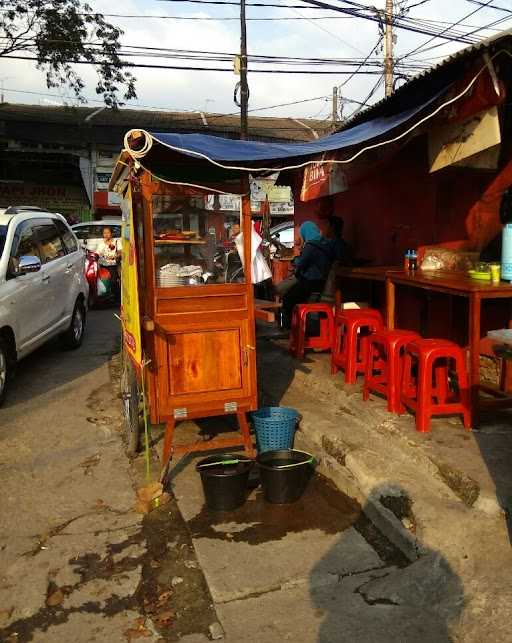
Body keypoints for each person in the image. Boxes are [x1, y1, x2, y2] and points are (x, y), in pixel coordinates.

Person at [281, 221, 334, 328]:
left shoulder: (311, 246)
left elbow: (301, 263)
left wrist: (295, 260)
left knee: (288, 298)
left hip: (309, 283)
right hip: (322, 284)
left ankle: (292, 327)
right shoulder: (327, 245)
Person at [97, 226, 121, 298]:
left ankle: (115, 297)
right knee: (105, 282)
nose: (106, 235)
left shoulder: (116, 242)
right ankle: (107, 296)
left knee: (114, 282)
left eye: (108, 233)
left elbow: (120, 252)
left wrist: (116, 256)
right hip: (103, 266)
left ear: (111, 234)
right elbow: (97, 253)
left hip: (113, 265)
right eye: (104, 233)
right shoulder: (101, 244)